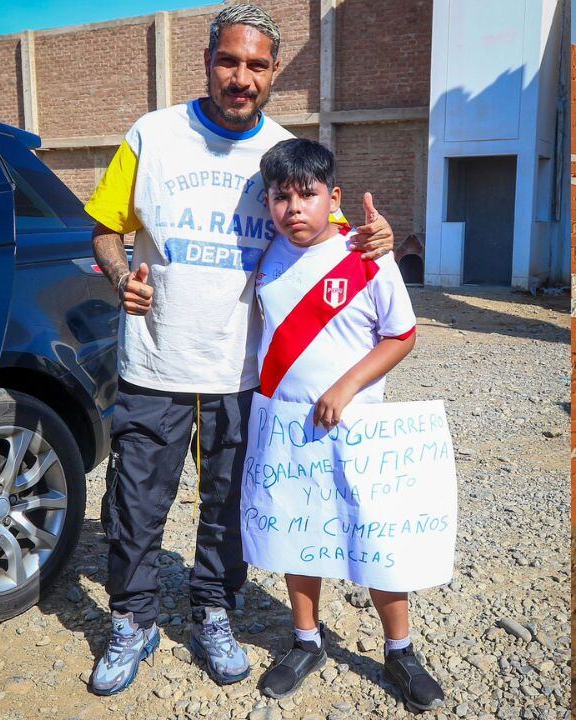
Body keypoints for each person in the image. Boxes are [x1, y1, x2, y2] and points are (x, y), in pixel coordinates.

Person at [84, 4, 394, 695]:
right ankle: (130, 621)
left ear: (274, 72)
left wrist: (377, 242)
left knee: (231, 504)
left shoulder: (283, 152)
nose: (241, 77)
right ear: (207, 61)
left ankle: (213, 612)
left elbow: (333, 239)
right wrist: (117, 276)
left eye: (257, 65)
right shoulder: (153, 134)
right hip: (153, 362)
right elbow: (104, 227)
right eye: (229, 61)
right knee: (136, 503)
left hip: (243, 372)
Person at [249, 138, 444, 711]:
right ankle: (305, 640)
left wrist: (347, 386)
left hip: (359, 430)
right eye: (281, 198)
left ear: (331, 197)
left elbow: (401, 335)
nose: (294, 209)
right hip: (288, 428)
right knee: (296, 536)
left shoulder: (366, 255)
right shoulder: (267, 258)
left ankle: (401, 651)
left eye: (307, 195)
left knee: (374, 538)